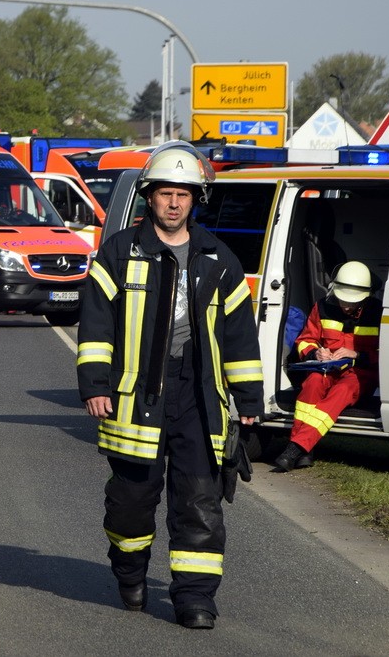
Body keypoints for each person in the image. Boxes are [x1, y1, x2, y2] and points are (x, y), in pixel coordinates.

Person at [76, 142, 262, 630]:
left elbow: (240, 336)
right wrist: (96, 383)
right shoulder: (119, 253)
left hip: (199, 395)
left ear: (195, 199)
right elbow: (96, 324)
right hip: (137, 395)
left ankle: (195, 598)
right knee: (131, 501)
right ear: (148, 197)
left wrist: (248, 400)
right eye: (165, 194)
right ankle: (130, 571)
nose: (174, 203)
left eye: (183, 194)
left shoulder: (219, 260)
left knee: (199, 500)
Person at [274, 261, 381, 472]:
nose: (346, 306)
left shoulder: (379, 313)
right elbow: (305, 340)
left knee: (342, 391)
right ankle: (306, 450)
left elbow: (387, 354)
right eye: (343, 300)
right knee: (312, 383)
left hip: (360, 374)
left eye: (352, 303)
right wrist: (316, 352)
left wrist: (357, 354)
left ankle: (296, 448)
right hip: (327, 368)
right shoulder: (322, 306)